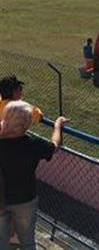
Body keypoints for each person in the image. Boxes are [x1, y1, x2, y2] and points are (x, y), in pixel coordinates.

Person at [0, 102, 68, 250]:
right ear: (27, 124)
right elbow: (54, 145)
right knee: (28, 242)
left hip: (1, 199)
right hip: (25, 199)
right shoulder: (33, 144)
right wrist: (57, 125)